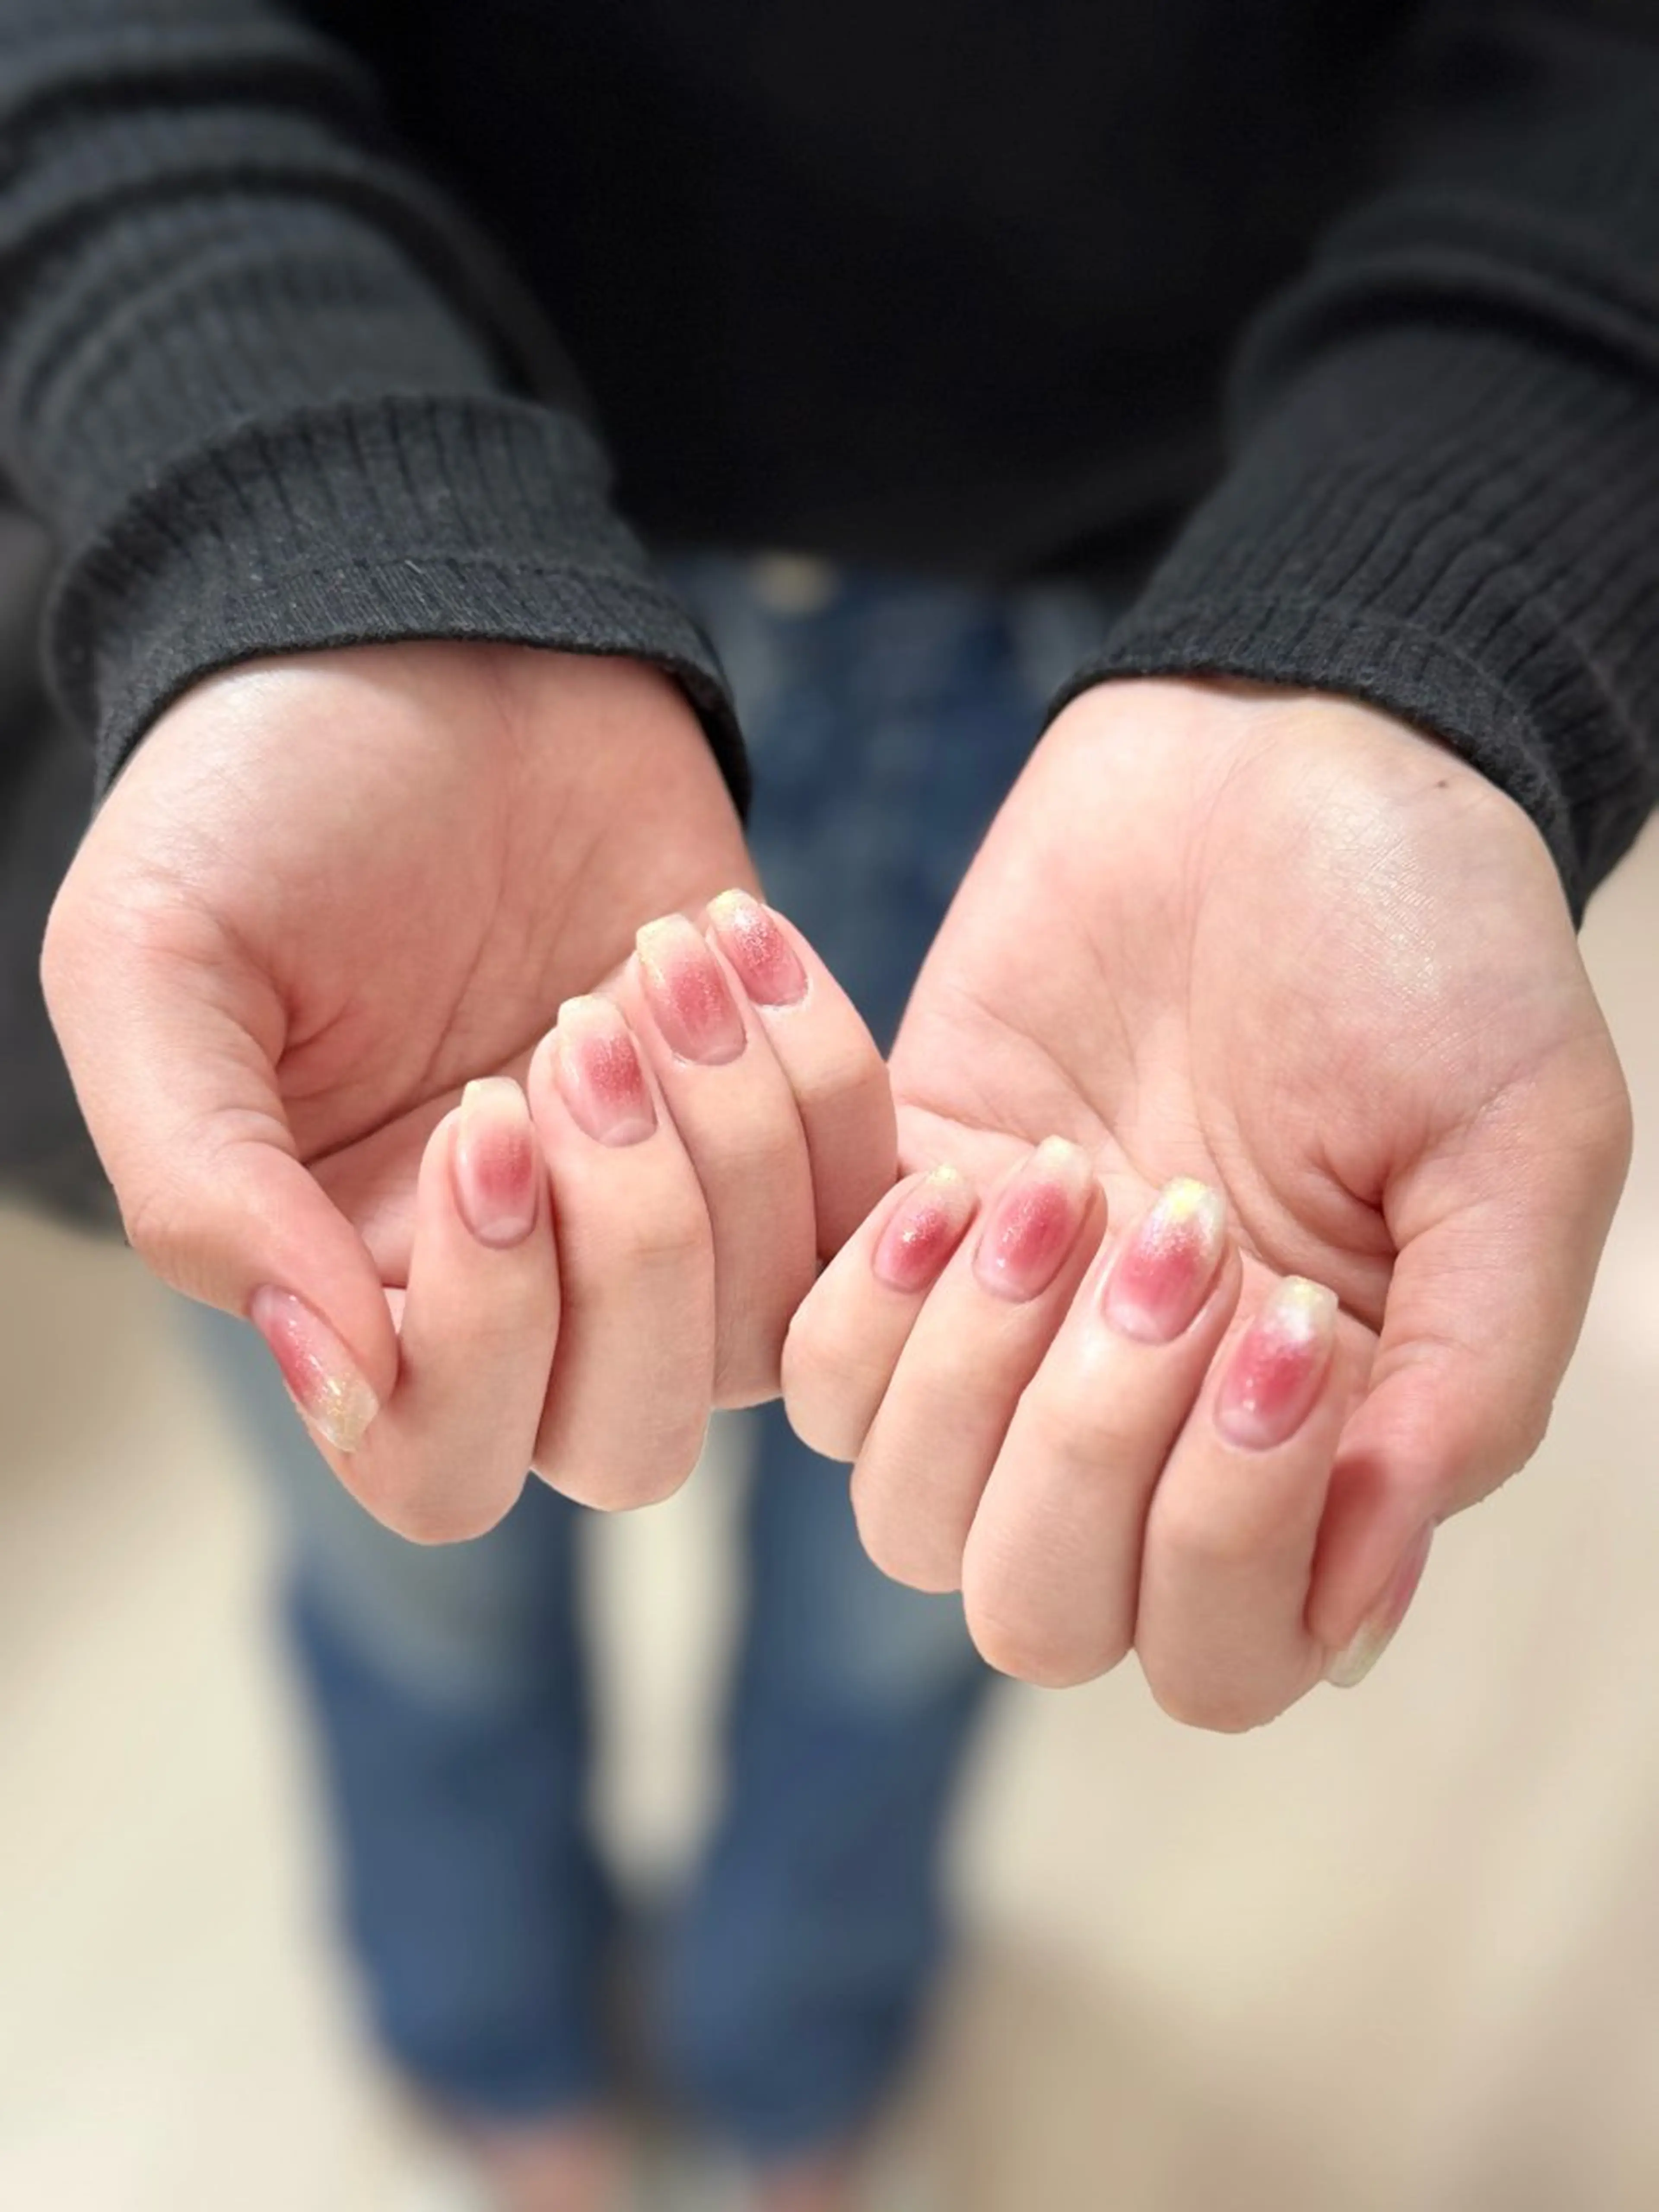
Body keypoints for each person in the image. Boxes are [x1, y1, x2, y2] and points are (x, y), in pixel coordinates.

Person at [1, 0, 1651, 2203]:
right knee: (412, 1527)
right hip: (365, 568)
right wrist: (280, 497)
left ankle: (793, 2044)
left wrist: (1435, 598)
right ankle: (488, 2019)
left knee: (944, 1553)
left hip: (1176, 634)